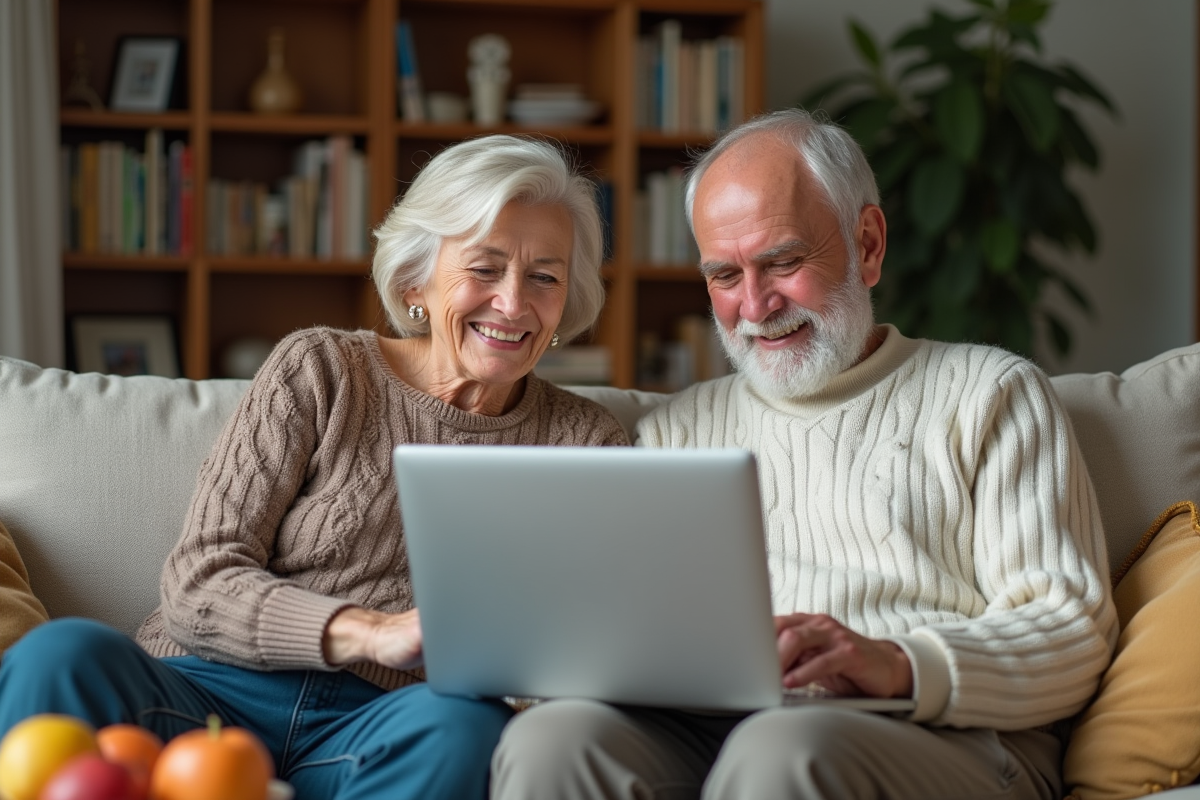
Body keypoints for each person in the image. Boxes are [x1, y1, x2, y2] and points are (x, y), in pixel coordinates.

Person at [490, 109, 1118, 800]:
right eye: (724, 275)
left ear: (867, 244)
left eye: (783, 262)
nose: (755, 305)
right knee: (551, 740)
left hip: (942, 732)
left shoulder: (990, 393)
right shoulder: (673, 431)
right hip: (714, 726)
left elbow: (1071, 627)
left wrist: (899, 663)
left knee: (780, 749)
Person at [0, 134, 627, 800]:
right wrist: (370, 633)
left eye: (544, 277)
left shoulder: (586, 442)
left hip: (387, 724)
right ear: (415, 279)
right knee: (59, 656)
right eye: (485, 268)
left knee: (466, 729)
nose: (513, 302)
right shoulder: (323, 370)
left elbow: (590, 642)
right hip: (209, 692)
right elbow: (198, 580)